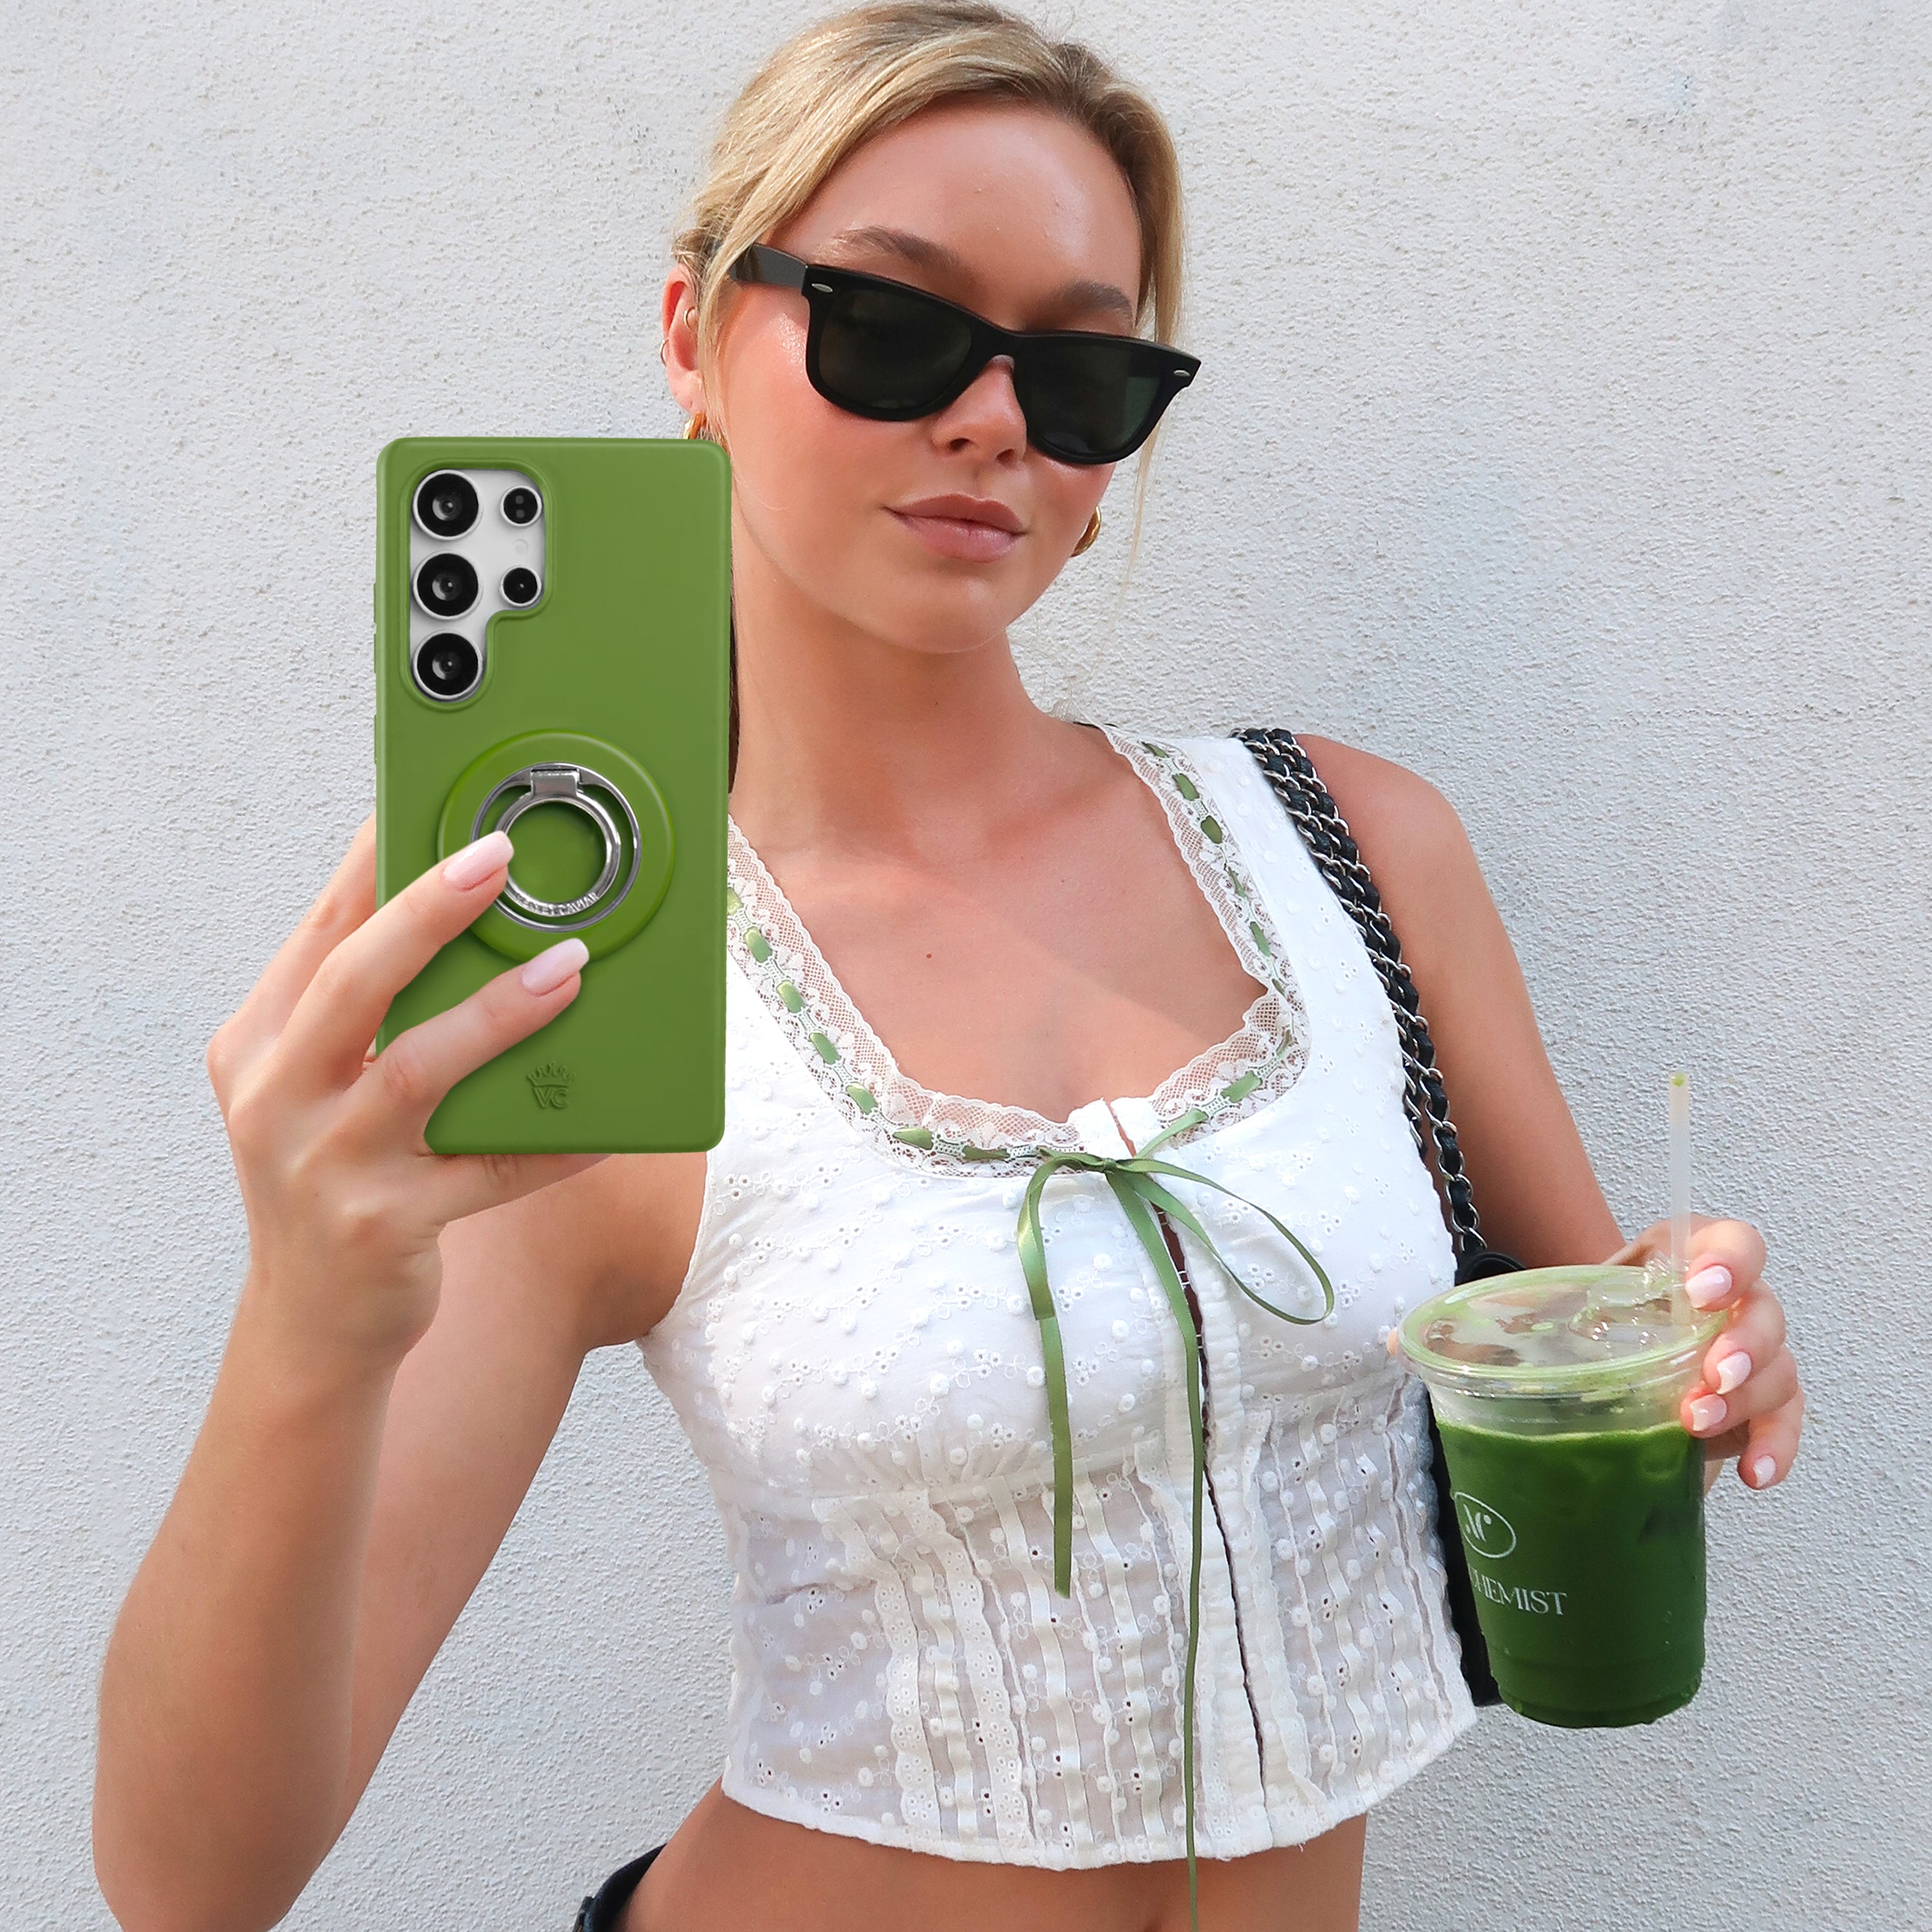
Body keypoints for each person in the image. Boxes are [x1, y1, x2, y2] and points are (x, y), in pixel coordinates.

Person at [91, 6, 1806, 1930]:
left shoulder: (1355, 852)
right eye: (891, 328)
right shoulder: (595, 1002)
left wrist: (1693, 1344)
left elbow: (1588, 1380)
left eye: (1081, 372)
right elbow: (193, 1882)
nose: (993, 419)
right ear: (692, 338)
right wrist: (309, 1308)